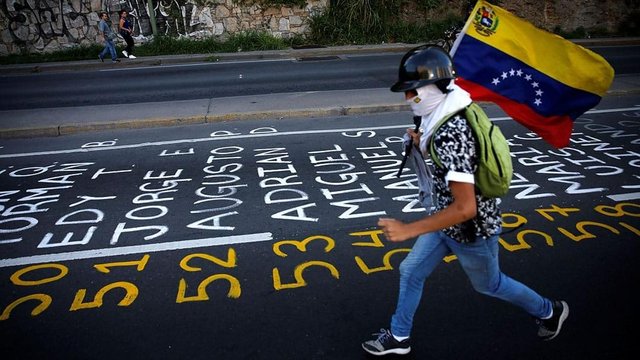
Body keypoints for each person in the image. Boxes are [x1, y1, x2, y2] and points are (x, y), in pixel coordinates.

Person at [361, 45, 569, 356]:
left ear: (435, 87)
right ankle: (398, 336)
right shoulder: (450, 110)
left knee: (491, 285)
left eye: (413, 91)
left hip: (472, 229)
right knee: (411, 270)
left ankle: (549, 311)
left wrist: (408, 229)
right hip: (445, 220)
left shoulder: (450, 132)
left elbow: (465, 208)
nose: (409, 99)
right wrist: (421, 144)